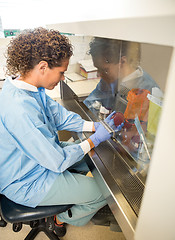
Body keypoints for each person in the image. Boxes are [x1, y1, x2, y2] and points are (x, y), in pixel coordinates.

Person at [0, 28, 121, 236]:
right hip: (26, 181)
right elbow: (57, 161)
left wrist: (94, 127)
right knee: (104, 192)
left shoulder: (27, 87)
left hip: (39, 160)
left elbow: (59, 117)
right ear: (43, 67)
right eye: (62, 72)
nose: (63, 78)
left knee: (95, 157)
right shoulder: (19, 110)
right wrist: (93, 141)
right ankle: (60, 218)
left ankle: (72, 189)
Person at [84, 37, 160, 115]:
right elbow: (90, 103)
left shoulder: (149, 92)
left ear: (123, 61)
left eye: (104, 69)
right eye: (98, 68)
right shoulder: (110, 79)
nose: (99, 74)